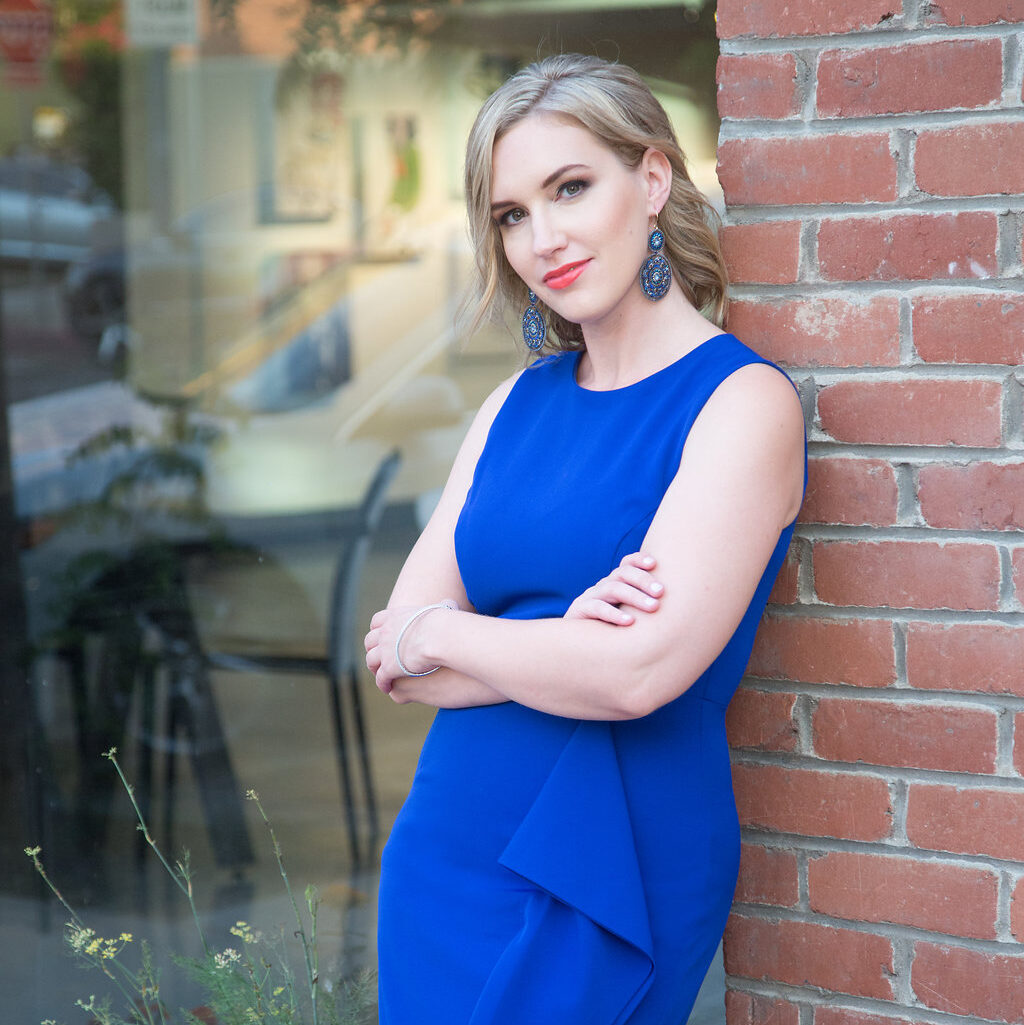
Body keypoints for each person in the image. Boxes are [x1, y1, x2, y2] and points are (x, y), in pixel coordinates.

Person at [363, 53, 806, 1025]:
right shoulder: (512, 405)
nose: (542, 238)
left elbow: (634, 674)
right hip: (448, 848)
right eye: (511, 214)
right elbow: (388, 654)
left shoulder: (741, 402)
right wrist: (559, 632)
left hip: (615, 861)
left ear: (650, 179)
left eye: (570, 188)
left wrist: (444, 634)